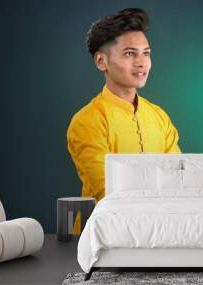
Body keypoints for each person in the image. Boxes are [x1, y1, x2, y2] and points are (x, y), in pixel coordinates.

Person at [67, 8, 181, 233]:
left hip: (158, 232)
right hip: (101, 236)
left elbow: (178, 179)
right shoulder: (87, 121)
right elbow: (108, 191)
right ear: (102, 61)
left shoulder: (159, 116)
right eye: (130, 53)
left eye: (146, 53)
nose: (142, 63)